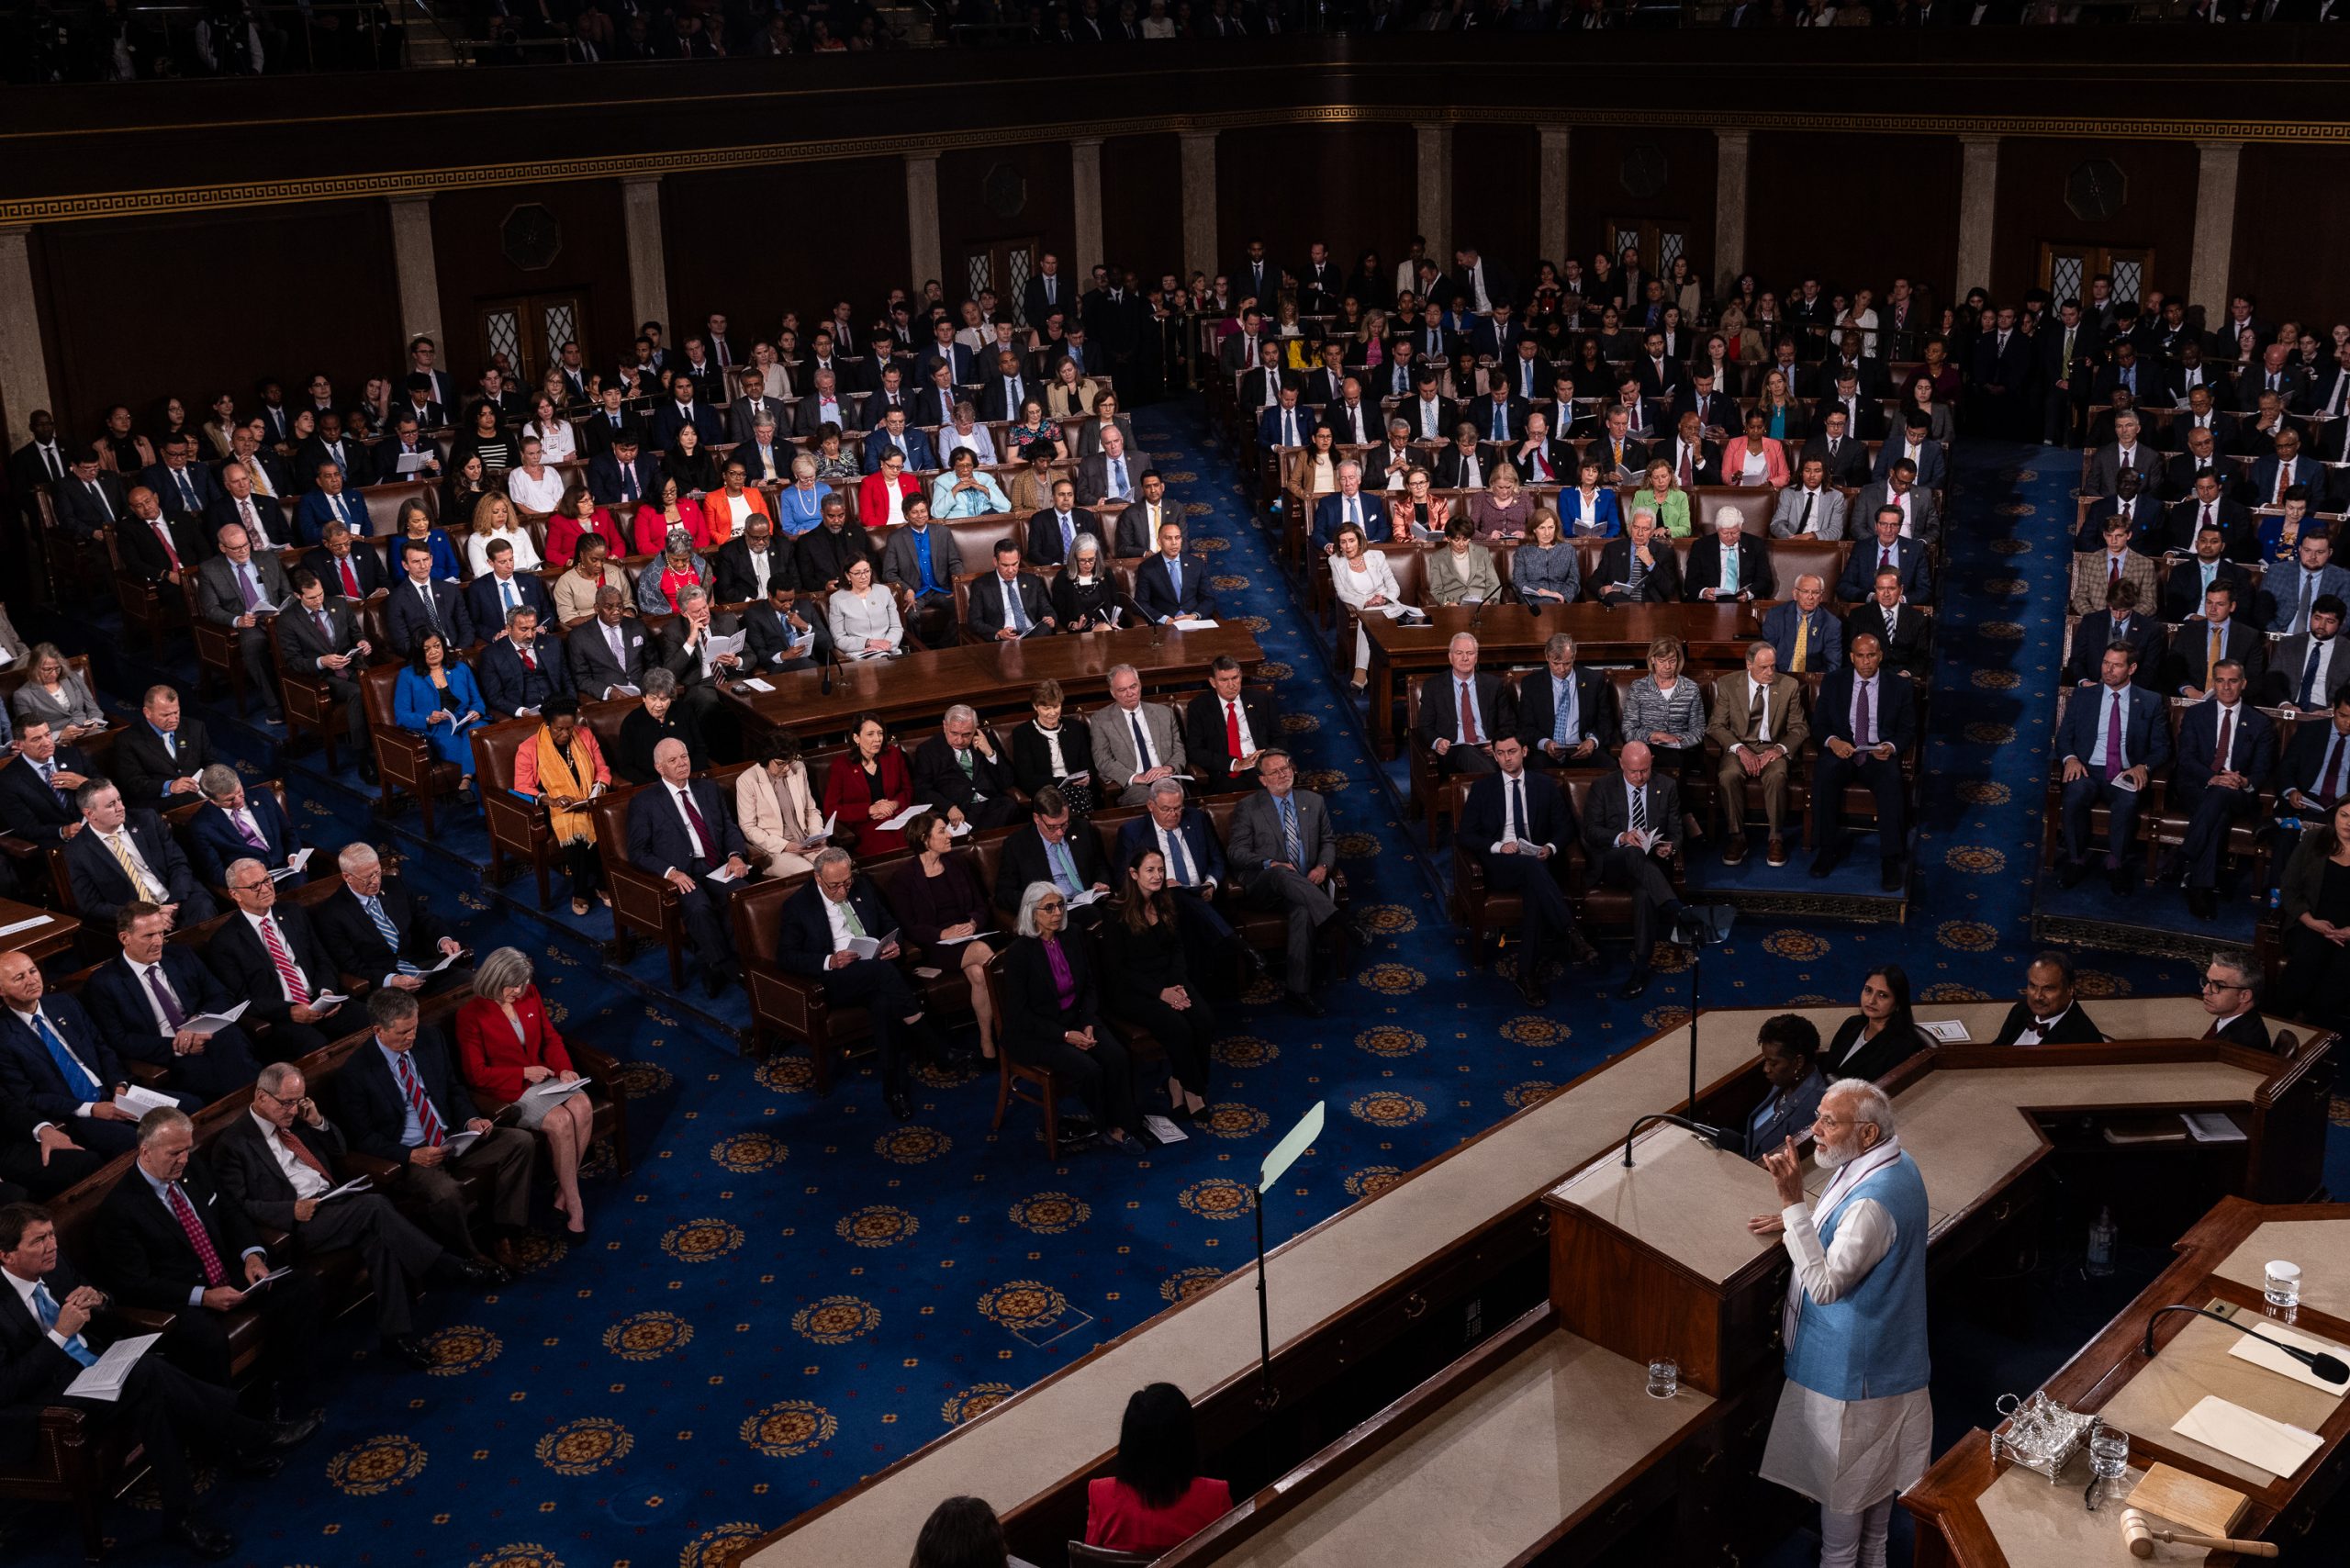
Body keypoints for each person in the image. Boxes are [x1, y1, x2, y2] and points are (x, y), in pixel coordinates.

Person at [0, 1202, 318, 1562]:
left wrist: (99, 1299)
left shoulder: (53, 1268)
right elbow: (7, 1387)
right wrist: (58, 1335)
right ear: (7, 1255)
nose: (52, 1245)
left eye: (52, 1234)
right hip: (49, 1405)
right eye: (39, 1240)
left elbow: (103, 1302)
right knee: (147, 1371)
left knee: (150, 1391)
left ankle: (183, 1516)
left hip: (94, 1370)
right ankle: (254, 1434)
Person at [1748, 1080, 1933, 1568]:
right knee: (1874, 1529)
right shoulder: (1897, 1164)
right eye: (1819, 1117)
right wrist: (1798, 1221)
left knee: (1842, 1534)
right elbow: (1851, 1234)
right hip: (1892, 1363)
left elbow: (1826, 1286)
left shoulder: (1872, 1202)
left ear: (1867, 1133)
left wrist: (1792, 1204)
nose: (1815, 1132)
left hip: (1853, 1380)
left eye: (1830, 1121)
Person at [213, 1062, 490, 1369]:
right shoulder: (234, 1144)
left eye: (299, 1101)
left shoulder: (297, 1118)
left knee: (378, 1237)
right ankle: (447, 1264)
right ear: (262, 1096)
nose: (293, 1110)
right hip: (298, 1223)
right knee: (375, 1206)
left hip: (335, 1202)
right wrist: (290, 1210)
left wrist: (317, 1121)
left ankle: (395, 1337)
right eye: (286, 1102)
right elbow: (238, 1206)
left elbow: (339, 1150)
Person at [93, 1106, 325, 1404]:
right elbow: (135, 1284)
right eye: (175, 1153)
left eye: (187, 1149)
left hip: (229, 1272)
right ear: (146, 1151)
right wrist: (203, 1296)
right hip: (182, 1299)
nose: (184, 1160)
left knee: (302, 1286)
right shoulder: (120, 1211)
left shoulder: (194, 1169)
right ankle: (231, 1427)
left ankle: (282, 1391)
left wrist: (252, 1256)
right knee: (206, 1340)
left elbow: (230, 1213)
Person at [335, 989, 539, 1272]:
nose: (412, 1037)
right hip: (413, 1157)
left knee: (520, 1142)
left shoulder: (430, 1039)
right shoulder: (356, 1073)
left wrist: (470, 1121)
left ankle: (504, 1233)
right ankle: (468, 1256)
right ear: (378, 1030)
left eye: (414, 1027)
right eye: (404, 1033)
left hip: (453, 1138)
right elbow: (364, 1139)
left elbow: (453, 1089)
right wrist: (411, 1156)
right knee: (446, 1193)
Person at [778, 848, 939, 1121]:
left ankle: (893, 1091)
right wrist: (830, 960)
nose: (843, 890)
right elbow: (787, 957)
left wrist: (894, 945)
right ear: (818, 878)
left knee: (884, 1003)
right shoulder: (798, 906)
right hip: (834, 981)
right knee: (882, 973)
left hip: (873, 972)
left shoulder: (861, 886)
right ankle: (933, 1043)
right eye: (835, 885)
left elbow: (890, 924)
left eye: (847, 882)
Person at [456, 948, 596, 1238]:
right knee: (559, 1121)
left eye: (522, 984)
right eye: (512, 985)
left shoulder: (528, 993)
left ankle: (562, 1196)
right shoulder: (471, 1015)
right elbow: (476, 1074)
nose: (518, 991)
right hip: (508, 1089)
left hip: (542, 1077)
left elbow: (550, 1038)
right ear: (493, 979)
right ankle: (576, 1204)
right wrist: (522, 1073)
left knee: (582, 1104)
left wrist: (564, 1069)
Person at [1003, 882, 1143, 1149]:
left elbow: (1089, 985)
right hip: (1038, 1032)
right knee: (1089, 1069)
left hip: (1076, 1018)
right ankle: (1108, 1127)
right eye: (1049, 908)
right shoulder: (1019, 954)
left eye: (1060, 906)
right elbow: (1020, 1016)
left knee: (1117, 1056)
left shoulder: (1073, 935)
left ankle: (1127, 1122)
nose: (1057, 913)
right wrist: (1066, 1036)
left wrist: (1088, 1022)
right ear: (1032, 913)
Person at [81, 902, 263, 1104]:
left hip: (210, 1037)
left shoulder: (180, 956)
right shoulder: (105, 983)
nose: (158, 941)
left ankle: (256, 1103)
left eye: (160, 933)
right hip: (170, 1058)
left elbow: (221, 995)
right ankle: (257, 1105)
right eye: (149, 936)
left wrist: (198, 1020)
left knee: (230, 1038)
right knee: (229, 1072)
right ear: (125, 938)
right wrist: (178, 1046)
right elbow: (120, 1041)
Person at [1457, 734, 1578, 1008]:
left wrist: (1549, 847)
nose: (1506, 758)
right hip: (1501, 865)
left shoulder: (1545, 785)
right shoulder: (1483, 789)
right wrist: (1499, 846)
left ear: (1524, 751)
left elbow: (1565, 827)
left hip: (1537, 860)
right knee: (1530, 868)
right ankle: (1570, 931)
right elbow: (1466, 835)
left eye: (1511, 751)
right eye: (1500, 753)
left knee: (1534, 889)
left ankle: (1526, 976)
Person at [624, 738, 750, 997]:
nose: (682, 763)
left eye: (684, 756)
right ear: (659, 767)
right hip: (682, 874)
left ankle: (714, 959)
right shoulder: (645, 802)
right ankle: (727, 966)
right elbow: (637, 852)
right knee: (699, 907)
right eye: (673, 760)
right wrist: (670, 872)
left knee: (741, 895)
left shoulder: (708, 789)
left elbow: (728, 828)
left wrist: (736, 855)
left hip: (716, 865)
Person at [1225, 749, 1340, 1016]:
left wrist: (1323, 867)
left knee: (1302, 910)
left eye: (1286, 768)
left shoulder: (1313, 801)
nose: (1282, 774)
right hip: (1264, 888)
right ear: (1263, 780)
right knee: (1280, 872)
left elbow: (1328, 842)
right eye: (1274, 772)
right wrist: (1270, 863)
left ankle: (1297, 991)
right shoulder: (1248, 807)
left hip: (1302, 889)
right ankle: (1340, 920)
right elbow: (1236, 853)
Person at [1102, 851, 1215, 1121]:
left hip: (1169, 980)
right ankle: (1194, 1091)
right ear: (1134, 874)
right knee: (1178, 1027)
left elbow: (1177, 949)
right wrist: (1160, 993)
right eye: (1150, 870)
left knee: (1205, 1020)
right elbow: (1117, 970)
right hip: (1135, 990)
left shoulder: (1165, 902)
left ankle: (1178, 1080)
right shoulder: (1115, 913)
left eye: (1161, 870)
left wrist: (1176, 985)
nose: (1157, 876)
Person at [201, 857, 347, 1060]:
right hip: (279, 1018)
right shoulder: (225, 941)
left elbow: (322, 959)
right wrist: (289, 1012)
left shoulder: (293, 912)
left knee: (368, 1019)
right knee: (317, 1047)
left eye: (267, 880)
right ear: (235, 894)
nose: (266, 889)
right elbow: (241, 999)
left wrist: (327, 992)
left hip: (319, 1001)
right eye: (254, 886)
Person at [2053, 642, 2168, 894]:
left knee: (2128, 802)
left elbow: (2162, 747)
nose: (2108, 670)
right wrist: (2070, 758)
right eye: (2106, 663)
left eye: (2116, 665)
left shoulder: (2150, 701)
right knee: (2074, 794)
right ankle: (2075, 860)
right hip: (2087, 768)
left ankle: (2115, 863)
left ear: (2132, 668)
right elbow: (2064, 737)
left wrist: (2144, 766)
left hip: (2125, 771)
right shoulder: (2084, 696)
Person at [1579, 742, 1690, 1000]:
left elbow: (1676, 832)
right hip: (1613, 863)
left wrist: (1669, 848)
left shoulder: (1667, 786)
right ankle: (1676, 910)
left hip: (1648, 869)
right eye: (1633, 772)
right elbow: (1591, 831)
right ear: (1621, 765)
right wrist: (1622, 836)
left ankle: (1640, 969)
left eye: (1644, 770)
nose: (1639, 777)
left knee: (1643, 895)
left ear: (1651, 761)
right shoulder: (1603, 787)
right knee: (1632, 850)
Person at [889, 812, 1002, 1063]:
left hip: (971, 935)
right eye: (942, 831)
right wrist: (942, 933)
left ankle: (986, 1040)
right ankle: (1016, 1024)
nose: (949, 835)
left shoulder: (959, 863)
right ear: (924, 839)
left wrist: (973, 922)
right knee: (984, 953)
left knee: (979, 974)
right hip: (937, 946)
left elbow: (982, 905)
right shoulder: (904, 878)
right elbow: (908, 926)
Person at [1809, 633, 1917, 890]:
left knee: (1891, 782)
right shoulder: (1834, 681)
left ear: (1880, 656)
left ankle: (1890, 859)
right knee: (1824, 774)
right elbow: (1819, 725)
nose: (1866, 661)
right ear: (1851, 657)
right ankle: (1826, 851)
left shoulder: (1899, 686)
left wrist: (1890, 747)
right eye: (1860, 655)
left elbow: (1907, 729)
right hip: (1843, 750)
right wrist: (1833, 741)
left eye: (1871, 655)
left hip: (1877, 753)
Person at [1083, 1383, 1233, 1553]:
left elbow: (1091, 1559)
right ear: (1186, 1440)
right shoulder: (1215, 1497)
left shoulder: (1101, 1495)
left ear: (1128, 1443)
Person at [63, 776, 218, 927]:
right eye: (111, 805)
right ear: (90, 813)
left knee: (202, 908)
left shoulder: (147, 819)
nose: (121, 808)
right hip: (135, 916)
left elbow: (178, 863)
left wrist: (173, 905)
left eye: (119, 799)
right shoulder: (78, 851)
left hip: (177, 897)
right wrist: (144, 914)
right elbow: (91, 905)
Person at [1709, 642, 1807, 868]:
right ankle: (1737, 837)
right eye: (1764, 667)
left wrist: (1779, 750)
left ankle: (1775, 837)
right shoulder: (1727, 684)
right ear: (1749, 665)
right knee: (1728, 775)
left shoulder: (1788, 685)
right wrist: (1740, 750)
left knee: (1777, 775)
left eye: (1773, 666)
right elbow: (1716, 726)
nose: (1770, 672)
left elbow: (1799, 728)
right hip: (1739, 747)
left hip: (1772, 747)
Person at [512, 697, 611, 915]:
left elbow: (602, 769)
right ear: (547, 725)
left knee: (600, 819)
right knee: (575, 829)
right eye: (559, 729)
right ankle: (582, 890)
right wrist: (550, 800)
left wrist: (599, 788)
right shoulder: (529, 748)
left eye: (569, 728)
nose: (565, 734)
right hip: (553, 808)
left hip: (588, 799)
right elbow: (522, 786)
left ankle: (602, 883)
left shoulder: (584, 735)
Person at [2268, 799, 2350, 1029]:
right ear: (2335, 815)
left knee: (2342, 972)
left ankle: (2315, 1031)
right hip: (2311, 922)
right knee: (2306, 959)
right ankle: (2279, 1023)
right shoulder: (2315, 840)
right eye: (2344, 815)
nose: (2348, 823)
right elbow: (2289, 886)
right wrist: (2310, 921)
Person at [394, 633, 486, 790]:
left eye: (437, 646)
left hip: (467, 722)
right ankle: (478, 798)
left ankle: (466, 781)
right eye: (427, 649)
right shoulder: (407, 675)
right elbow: (401, 715)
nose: (434, 651)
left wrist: (476, 711)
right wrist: (428, 718)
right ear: (418, 652)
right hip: (439, 730)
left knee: (479, 736)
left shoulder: (461, 668)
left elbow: (477, 701)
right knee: (482, 756)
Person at [736, 729, 829, 881]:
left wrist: (816, 834)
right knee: (809, 874)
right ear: (766, 758)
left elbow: (811, 810)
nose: (787, 768)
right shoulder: (747, 781)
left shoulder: (798, 768)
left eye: (790, 761)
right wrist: (786, 845)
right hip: (776, 851)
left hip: (807, 842)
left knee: (835, 866)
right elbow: (748, 828)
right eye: (781, 763)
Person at [1090, 664, 1188, 806]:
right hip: (1134, 786)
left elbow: (1179, 750)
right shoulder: (1101, 720)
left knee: (1172, 798)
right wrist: (1134, 777)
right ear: (1113, 692)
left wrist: (1168, 768)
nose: (1130, 693)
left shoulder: (1164, 713)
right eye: (1122, 690)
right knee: (1157, 801)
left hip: (1167, 779)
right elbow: (1103, 759)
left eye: (1133, 686)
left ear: (1140, 685)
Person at [824, 713, 917, 856]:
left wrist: (895, 803)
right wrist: (868, 810)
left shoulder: (893, 755)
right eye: (870, 734)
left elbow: (908, 789)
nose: (877, 739)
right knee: (890, 849)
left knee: (916, 841)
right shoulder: (841, 765)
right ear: (856, 738)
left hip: (897, 817)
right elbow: (831, 808)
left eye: (880, 733)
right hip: (865, 824)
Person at [1415, 633, 1506, 778]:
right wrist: (1437, 742)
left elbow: (1508, 723)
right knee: (1466, 751)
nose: (1465, 658)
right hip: (1453, 752)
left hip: (1487, 749)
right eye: (1459, 653)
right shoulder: (1434, 687)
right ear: (1450, 657)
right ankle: (1501, 786)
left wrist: (1498, 744)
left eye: (1470, 653)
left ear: (1476, 658)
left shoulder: (1493, 685)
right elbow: (1424, 726)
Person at [1823, 966, 1930, 1081]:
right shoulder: (1852, 1024)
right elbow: (1829, 1066)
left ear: (1898, 1003)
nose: (1871, 1001)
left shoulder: (1902, 1046)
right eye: (1868, 990)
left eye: (1883, 995)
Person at [1743, 1015, 1828, 1159]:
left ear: (1798, 1062)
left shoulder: (1813, 1106)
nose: (1766, 1069)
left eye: (1773, 1063)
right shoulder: (1786, 1079)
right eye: (1766, 1061)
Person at [1010, 681, 1097, 814]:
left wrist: (1088, 777)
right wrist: (1063, 782)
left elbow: (1088, 764)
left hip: (1078, 789)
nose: (1052, 713)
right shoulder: (1023, 734)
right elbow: (1026, 778)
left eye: (1056, 706)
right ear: (1035, 707)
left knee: (1078, 796)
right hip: (1045, 790)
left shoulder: (1075, 728)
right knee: (1058, 805)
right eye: (1046, 708)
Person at [1991, 951, 2108, 1047]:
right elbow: (1998, 1049)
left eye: (2048, 989)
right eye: (2033, 986)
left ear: (2070, 989)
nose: (2037, 996)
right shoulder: (2020, 1010)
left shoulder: (2084, 1040)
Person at [828, 555, 905, 658]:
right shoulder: (837, 599)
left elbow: (896, 627)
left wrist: (884, 645)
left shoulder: (884, 591)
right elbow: (839, 640)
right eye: (857, 573)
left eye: (866, 571)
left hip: (889, 650)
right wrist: (869, 643)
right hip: (860, 653)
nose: (864, 577)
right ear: (847, 576)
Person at [2199, 952, 2274, 1053]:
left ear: (2244, 996)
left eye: (2218, 986)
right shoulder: (2233, 1017)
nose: (2205, 991)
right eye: (2208, 981)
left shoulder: (2240, 1045)